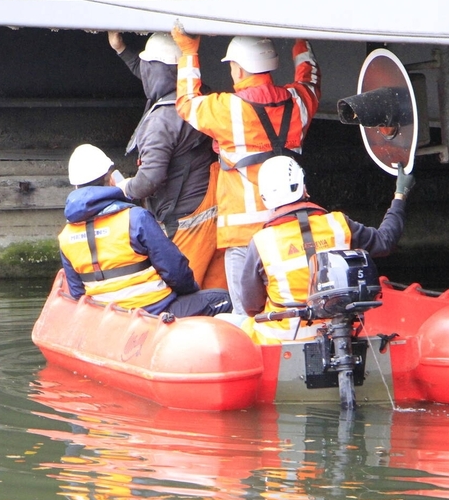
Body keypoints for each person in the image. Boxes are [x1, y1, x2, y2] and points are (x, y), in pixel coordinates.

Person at [171, 22, 321, 315]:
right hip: (291, 229)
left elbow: (187, 102)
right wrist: (301, 40)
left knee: (247, 316)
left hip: (243, 237)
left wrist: (189, 52)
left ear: (238, 70)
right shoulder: (299, 103)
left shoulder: (227, 109)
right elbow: (311, 80)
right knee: (295, 306)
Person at [238, 155, 415, 343]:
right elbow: (385, 241)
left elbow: (251, 306)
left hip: (281, 346)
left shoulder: (261, 242)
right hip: (338, 339)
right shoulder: (338, 224)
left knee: (232, 321)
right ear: (303, 186)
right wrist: (400, 195)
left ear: (265, 197)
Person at [107, 31, 226, 289]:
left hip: (184, 222)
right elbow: (158, 77)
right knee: (218, 292)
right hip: (212, 213)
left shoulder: (160, 123)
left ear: (154, 69)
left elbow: (150, 179)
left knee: (184, 291)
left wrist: (125, 187)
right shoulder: (200, 99)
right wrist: (121, 50)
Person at [58, 144, 232, 318]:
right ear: (111, 179)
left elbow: (77, 293)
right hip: (156, 311)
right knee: (225, 299)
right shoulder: (135, 218)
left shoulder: (66, 236)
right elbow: (175, 270)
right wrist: (191, 293)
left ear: (75, 188)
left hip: (108, 318)